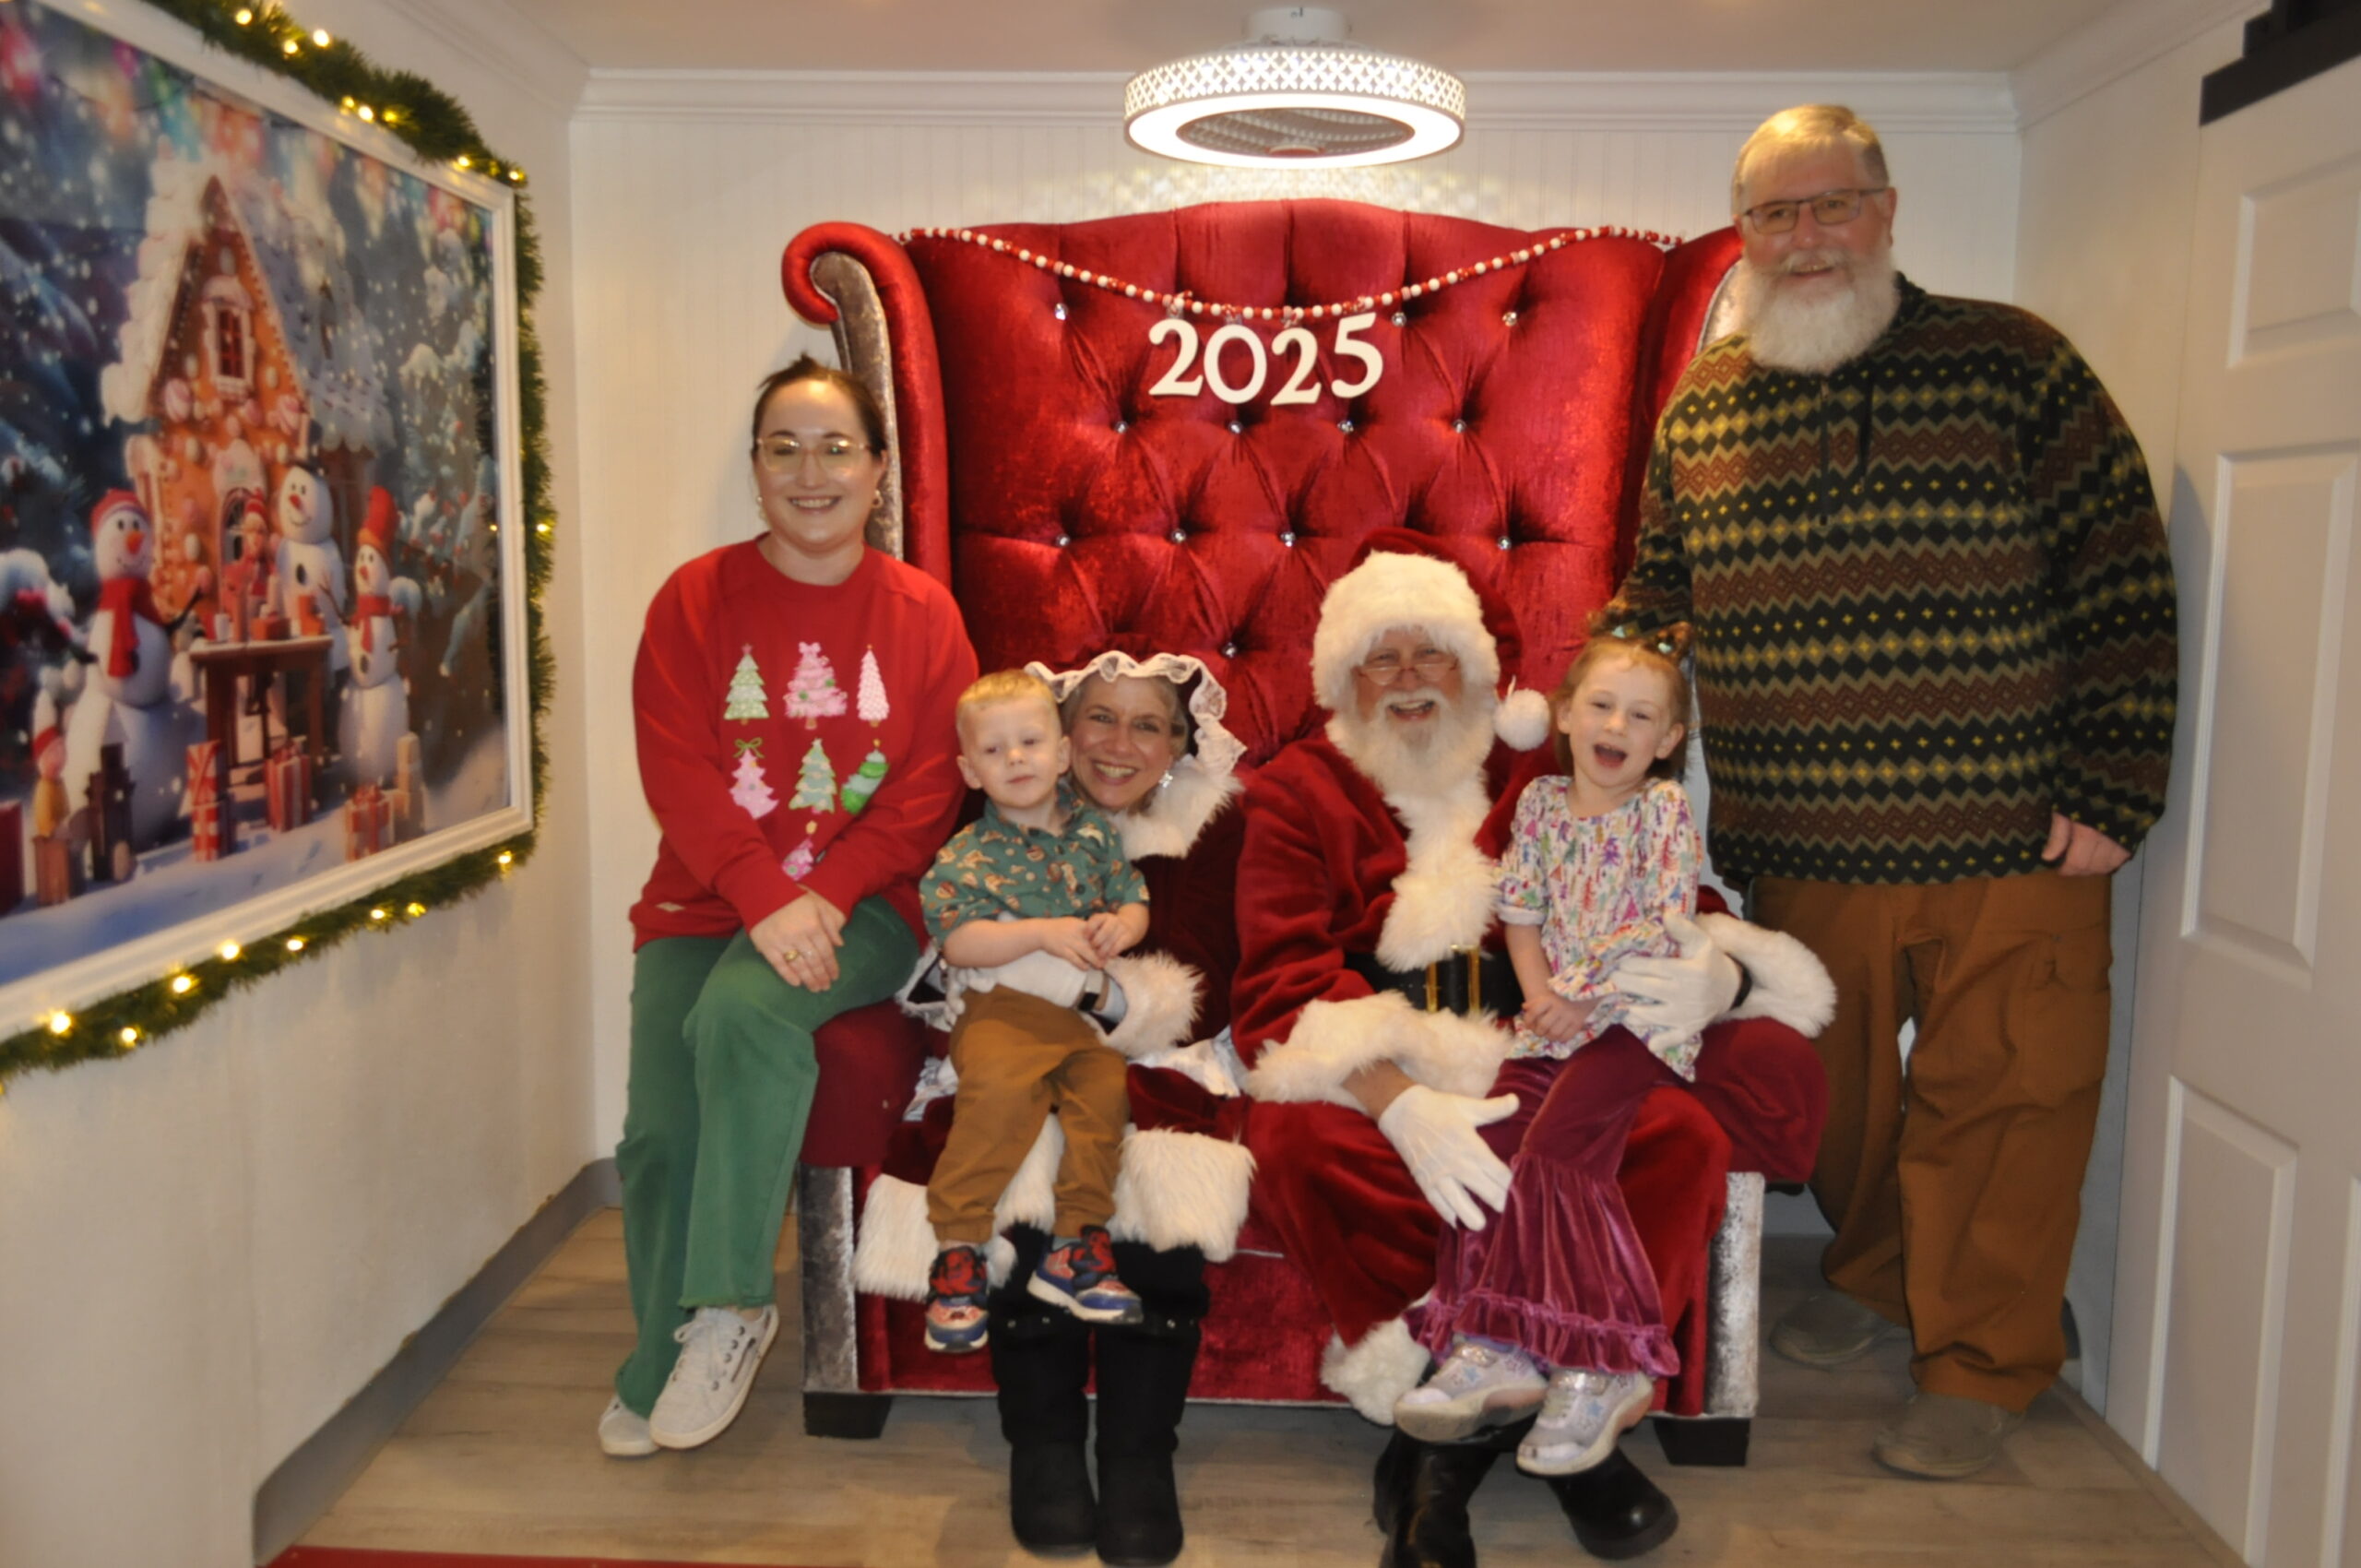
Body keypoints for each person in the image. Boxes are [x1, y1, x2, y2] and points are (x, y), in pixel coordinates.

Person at [1602, 103, 2178, 1479]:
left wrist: (2115, 778)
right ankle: (1874, 1276)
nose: (1806, 237)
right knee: (1833, 1106)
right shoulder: (1706, 406)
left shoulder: (2014, 362)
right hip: (1800, 837)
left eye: (1832, 205)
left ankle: (1982, 1361)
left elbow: (2121, 576)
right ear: (1743, 233)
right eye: (1774, 214)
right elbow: (1657, 599)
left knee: (2008, 1098)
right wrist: (1599, 714)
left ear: (1887, 209)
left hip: (2014, 832)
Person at [1235, 532, 1833, 1565]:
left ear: (1477, 665)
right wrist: (1397, 1100)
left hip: (1553, 1036)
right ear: (1344, 677)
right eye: (1383, 657)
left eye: (1434, 652)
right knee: (1300, 1145)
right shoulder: (1300, 788)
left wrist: (1724, 976)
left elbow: (1674, 901)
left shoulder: (1548, 764)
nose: (1411, 679)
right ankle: (1504, 1429)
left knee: (1677, 1134)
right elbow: (1280, 982)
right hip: (1386, 1054)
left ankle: (1476, 1439)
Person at [605, 353, 979, 1459]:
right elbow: (676, 767)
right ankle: (655, 1357)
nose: (810, 473)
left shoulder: (925, 614)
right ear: (756, 467)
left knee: (745, 1011)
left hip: (866, 904)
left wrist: (818, 892)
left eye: (835, 448)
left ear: (877, 469)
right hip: (703, 900)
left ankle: (730, 1305)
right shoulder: (693, 598)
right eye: (784, 449)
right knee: (657, 1133)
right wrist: (764, 892)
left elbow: (926, 793)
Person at [855, 647, 1253, 1567]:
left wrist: (1100, 1002)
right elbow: (953, 948)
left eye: (1148, 725)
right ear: (1065, 732)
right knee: (1008, 1144)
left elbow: (1205, 976)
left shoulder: (1209, 823)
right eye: (1100, 717)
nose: (1119, 743)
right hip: (1008, 1031)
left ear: (1179, 744)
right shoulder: (1004, 801)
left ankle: (1138, 1454)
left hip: (1161, 1044)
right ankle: (1041, 1444)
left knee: (1156, 1159)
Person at [1395, 624, 1714, 1480]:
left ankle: (1606, 1359)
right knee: (1495, 1143)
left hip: (1636, 1017)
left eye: (1641, 716)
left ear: (1668, 740)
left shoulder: (1661, 812)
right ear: (1565, 715)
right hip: (1554, 1015)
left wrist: (1582, 1000)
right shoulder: (1538, 806)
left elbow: (1660, 922)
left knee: (1559, 1154)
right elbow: (1523, 914)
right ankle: (1497, 1341)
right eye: (1601, 705)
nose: (1617, 726)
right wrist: (1540, 1000)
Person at [919, 669, 1152, 1350]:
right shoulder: (967, 854)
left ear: (1062, 753)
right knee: (996, 1096)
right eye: (994, 750)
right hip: (1001, 1010)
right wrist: (1038, 933)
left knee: (1105, 1095)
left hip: (1078, 1022)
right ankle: (959, 1248)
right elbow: (957, 941)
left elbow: (1132, 896)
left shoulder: (1094, 834)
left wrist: (1122, 928)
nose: (1016, 758)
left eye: (1030, 742)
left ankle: (1075, 1244)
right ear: (970, 771)